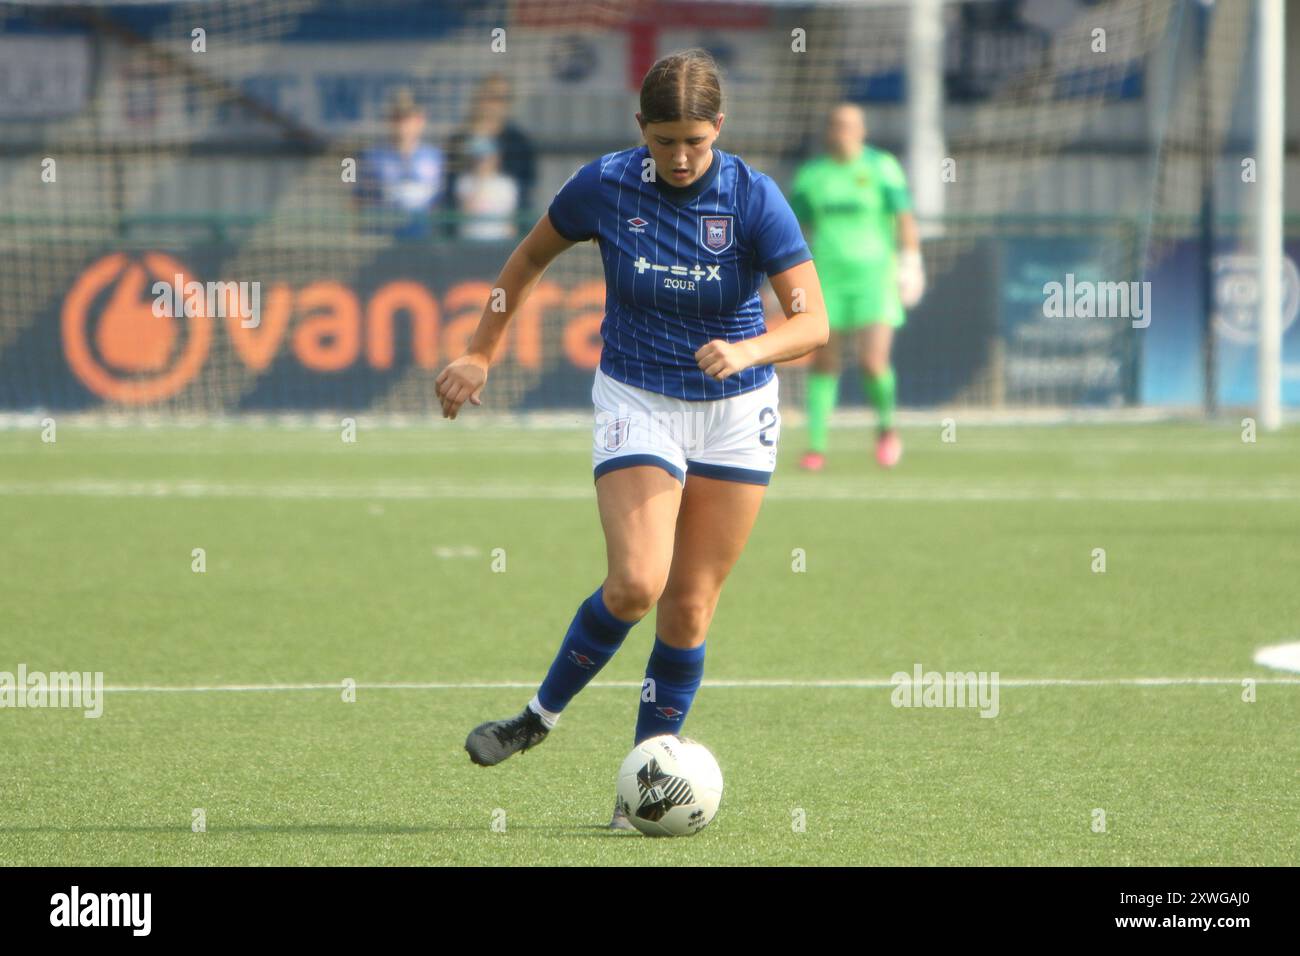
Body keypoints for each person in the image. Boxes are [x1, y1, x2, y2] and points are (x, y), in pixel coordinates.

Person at [435, 49, 828, 829]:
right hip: (637, 399)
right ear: (640, 129)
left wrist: (749, 350)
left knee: (687, 611)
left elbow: (813, 321)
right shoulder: (605, 185)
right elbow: (526, 261)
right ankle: (537, 718)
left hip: (736, 409)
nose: (681, 157)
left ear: (718, 127)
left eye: (695, 141)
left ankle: (640, 789)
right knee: (637, 584)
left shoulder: (754, 199)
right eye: (665, 141)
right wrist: (480, 350)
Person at [789, 103, 924, 470]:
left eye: (851, 125)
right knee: (825, 362)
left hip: (876, 278)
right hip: (828, 279)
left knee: (872, 361)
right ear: (828, 131)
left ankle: (886, 428)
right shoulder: (812, 176)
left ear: (863, 130)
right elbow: (791, 228)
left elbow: (904, 217)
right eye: (837, 125)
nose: (844, 131)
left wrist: (911, 262)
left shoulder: (882, 167)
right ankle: (816, 446)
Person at [444, 74, 537, 234]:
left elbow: (526, 191)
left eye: (500, 99)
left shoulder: (519, 142)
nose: (493, 105)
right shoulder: (459, 140)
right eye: (489, 97)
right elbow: (450, 192)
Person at [354, 88, 444, 240]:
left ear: (420, 120)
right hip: (384, 241)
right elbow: (357, 200)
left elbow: (441, 202)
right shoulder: (372, 156)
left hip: (425, 242)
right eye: (397, 118)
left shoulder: (435, 157)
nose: (403, 124)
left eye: (408, 118)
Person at [453, 135, 519, 242]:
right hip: (470, 241)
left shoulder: (506, 184)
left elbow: (511, 220)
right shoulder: (464, 182)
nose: (480, 163)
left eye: (484, 158)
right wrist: (480, 180)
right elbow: (467, 211)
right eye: (477, 158)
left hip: (498, 241)